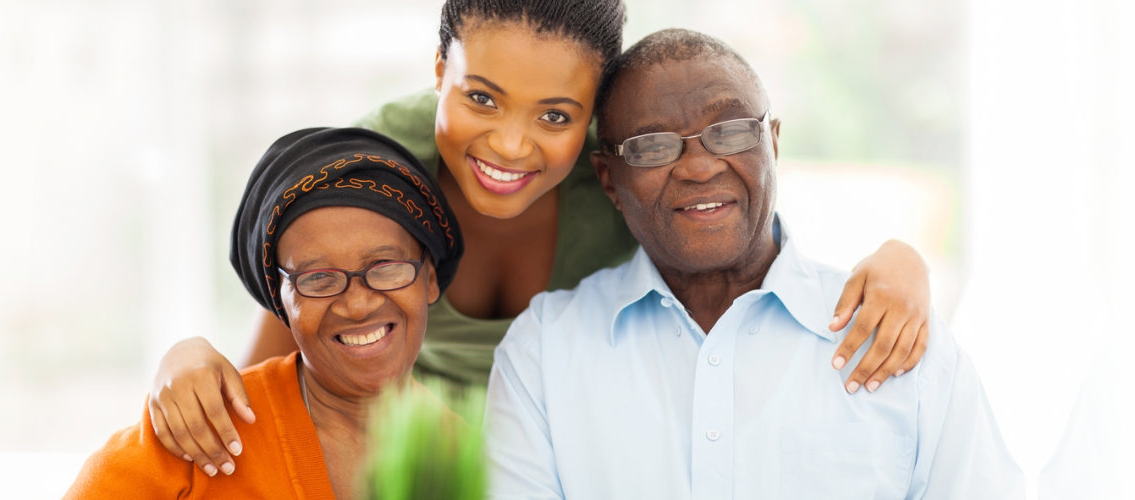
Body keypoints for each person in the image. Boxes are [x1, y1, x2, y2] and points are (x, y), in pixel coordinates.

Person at [149, 0, 939, 475]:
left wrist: (902, 262)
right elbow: (278, 362)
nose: (510, 146)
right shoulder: (380, 170)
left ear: (596, 122)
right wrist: (186, 358)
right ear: (437, 70)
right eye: (482, 98)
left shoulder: (624, 187)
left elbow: (738, 240)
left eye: (554, 116)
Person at [483, 29, 1022, 499]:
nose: (698, 166)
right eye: (653, 145)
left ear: (774, 143)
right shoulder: (544, 354)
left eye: (733, 130)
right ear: (609, 181)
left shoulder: (902, 342)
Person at [65, 127, 465, 499]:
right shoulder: (199, 434)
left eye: (386, 267)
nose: (358, 304)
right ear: (282, 300)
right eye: (318, 278)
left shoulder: (475, 459)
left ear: (428, 278)